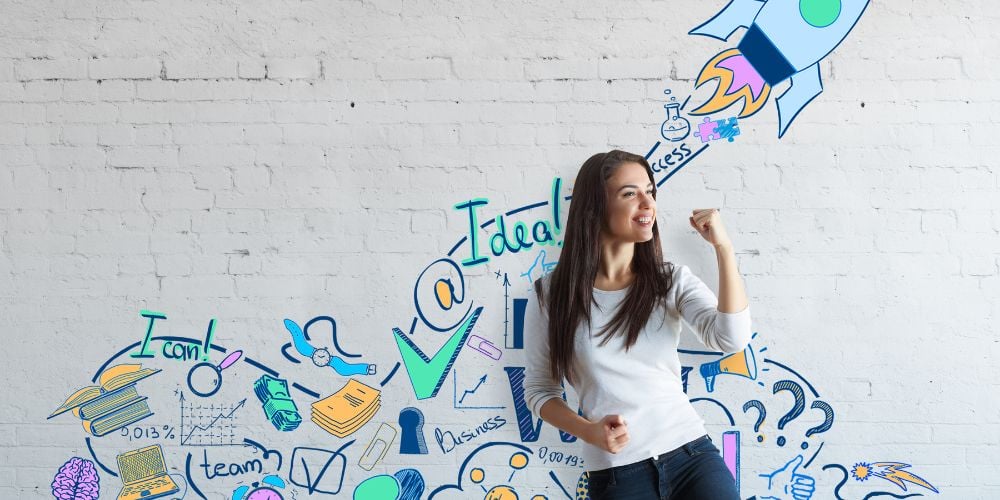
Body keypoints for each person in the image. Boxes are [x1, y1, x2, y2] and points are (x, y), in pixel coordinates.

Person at [524, 150, 751, 499]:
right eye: (630, 193)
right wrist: (588, 431)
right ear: (595, 206)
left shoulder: (669, 280)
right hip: (617, 476)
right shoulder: (550, 295)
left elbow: (731, 339)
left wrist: (724, 248)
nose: (647, 204)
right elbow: (540, 391)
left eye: (650, 192)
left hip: (692, 458)